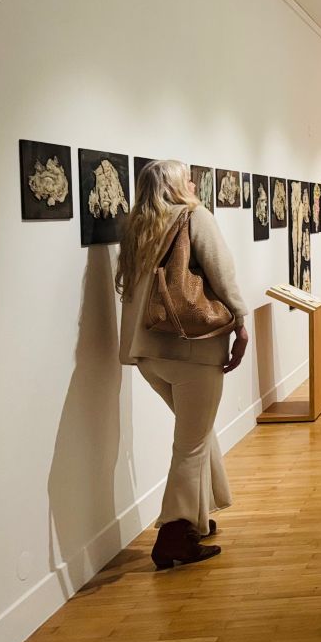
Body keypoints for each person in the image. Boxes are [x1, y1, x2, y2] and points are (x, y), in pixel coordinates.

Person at [116, 160, 249, 568]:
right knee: (190, 444)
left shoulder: (137, 226)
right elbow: (223, 275)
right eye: (188, 177)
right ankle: (174, 534)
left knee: (197, 432)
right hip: (192, 350)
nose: (193, 182)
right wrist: (241, 322)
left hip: (148, 354)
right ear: (176, 184)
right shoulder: (195, 216)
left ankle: (199, 517)